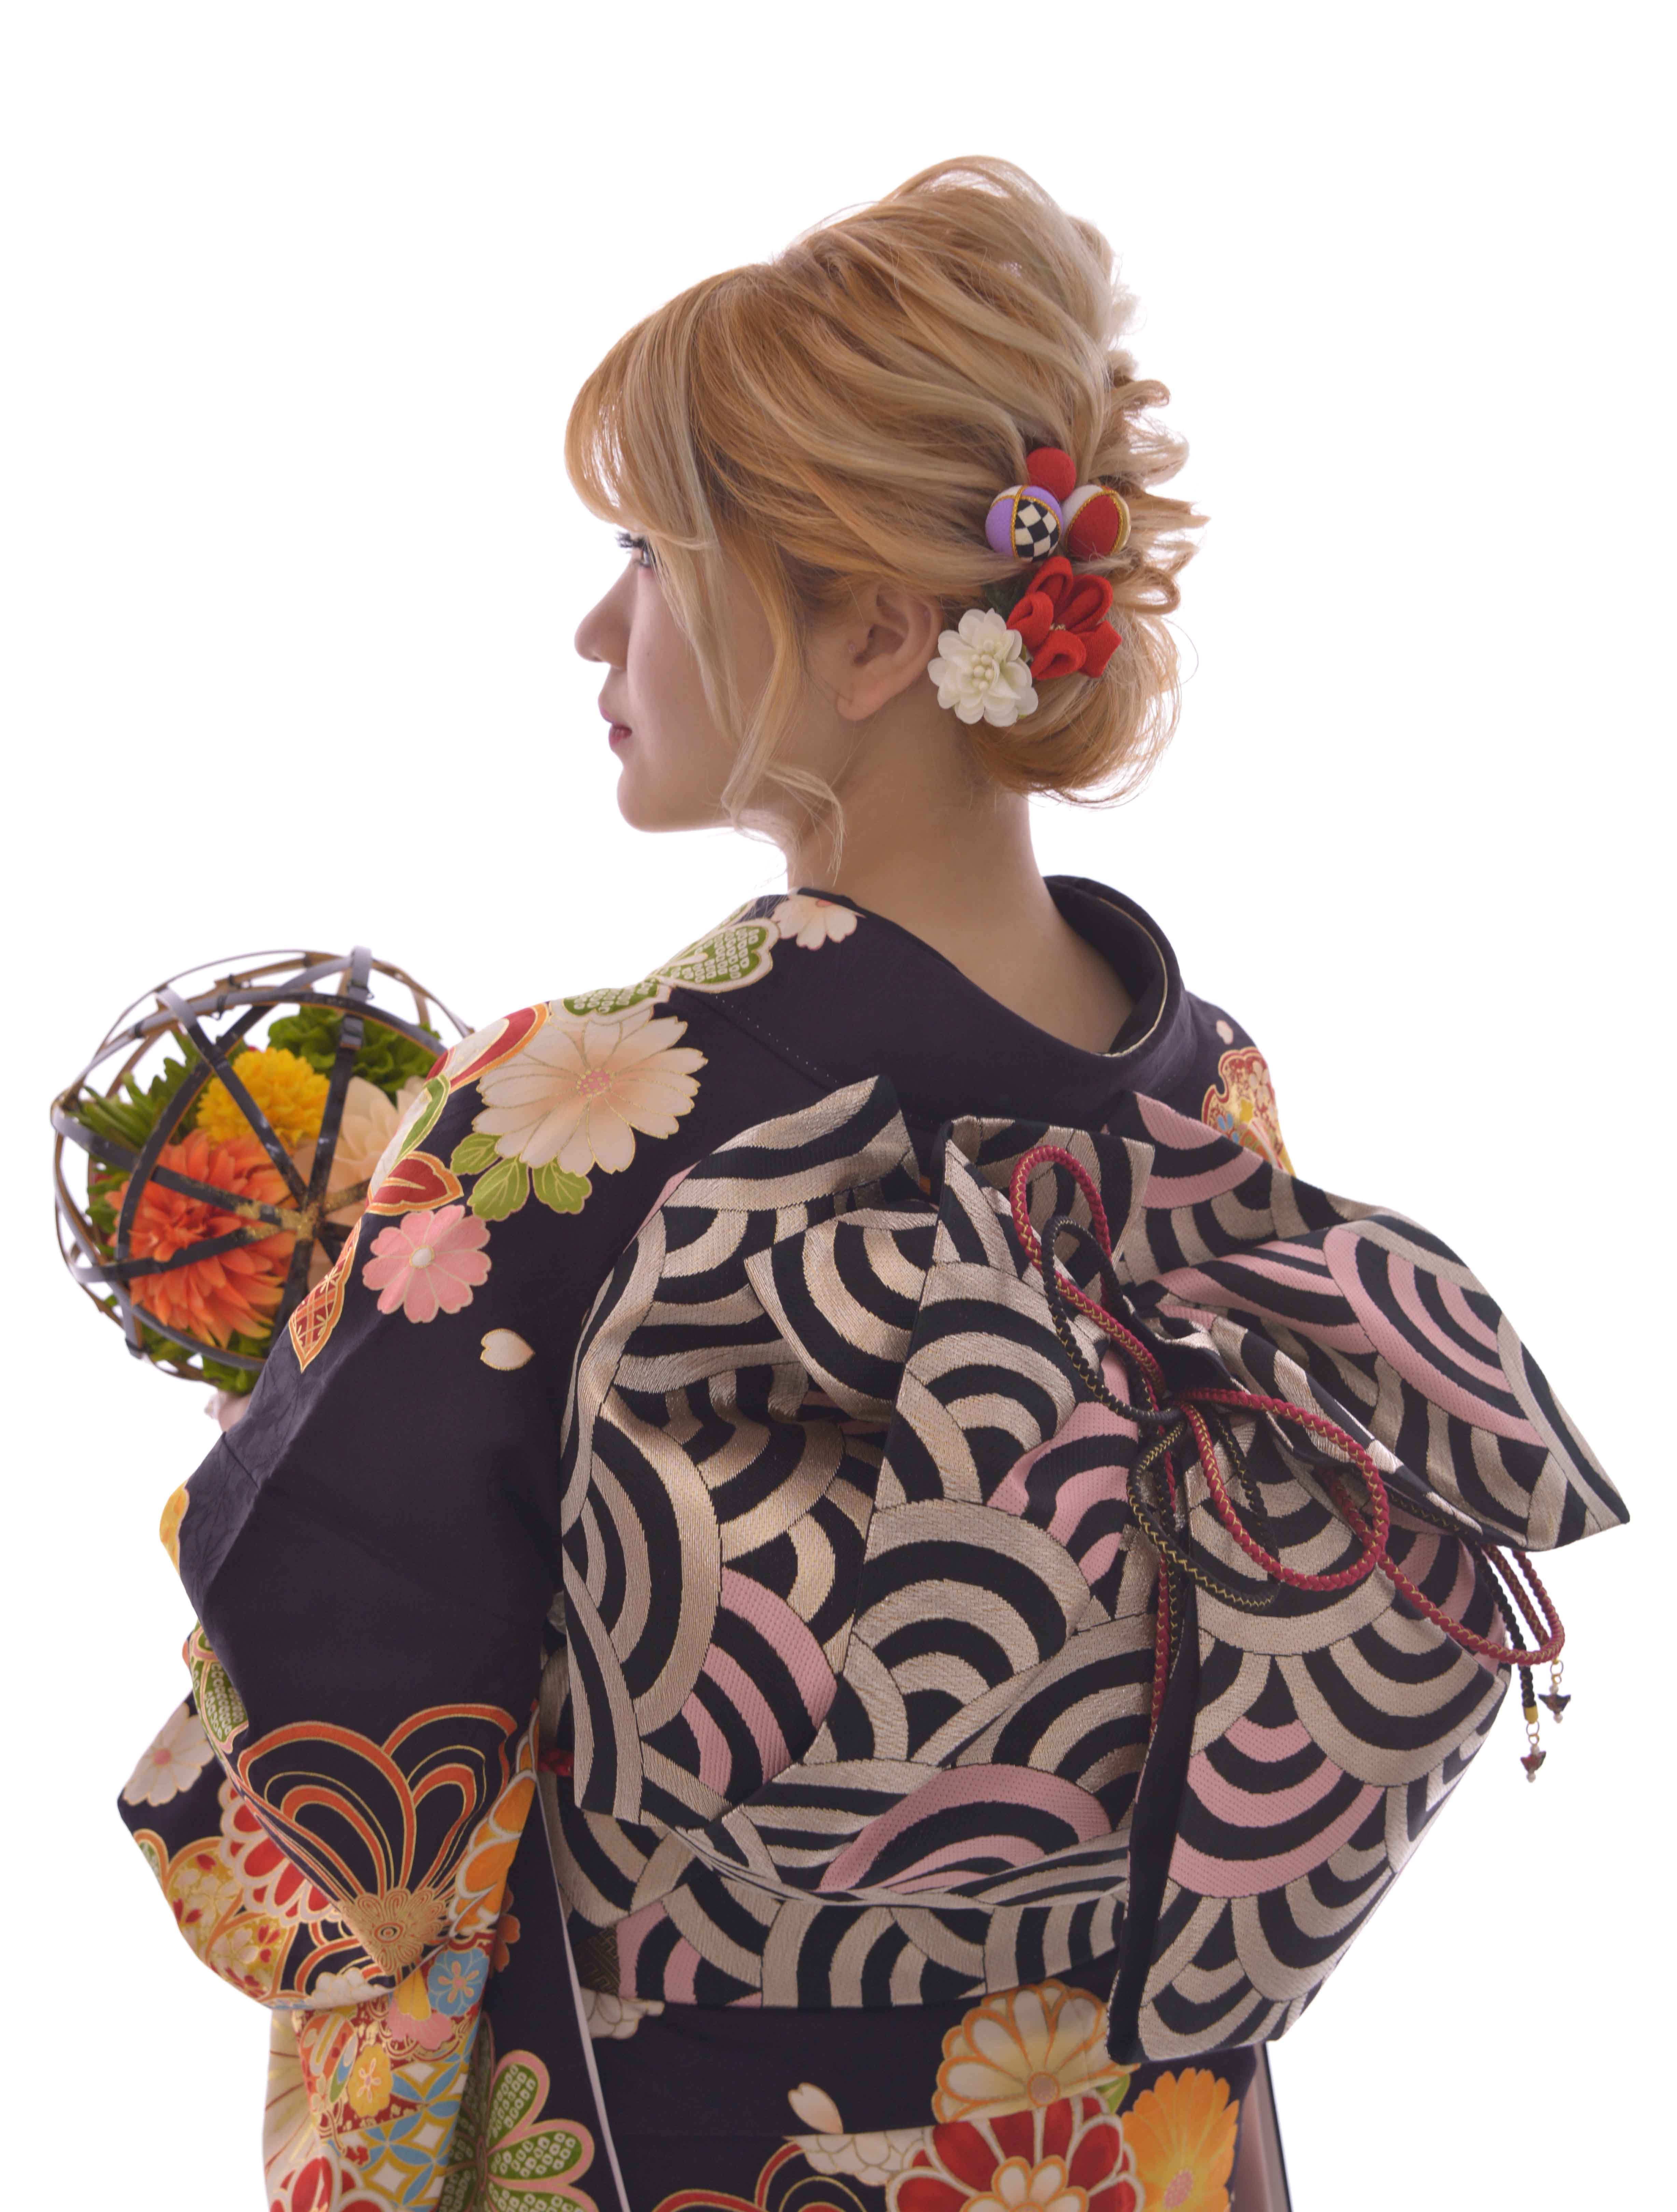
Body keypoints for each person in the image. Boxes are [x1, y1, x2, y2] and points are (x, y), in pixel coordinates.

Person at [120, 156, 1615, 2212]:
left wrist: (305, 1362)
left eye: (650, 555)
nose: (595, 626)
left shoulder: (575, 1112)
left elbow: (338, 1728)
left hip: (695, 2141)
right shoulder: (1208, 1096)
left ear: (881, 635)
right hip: (1127, 2140)